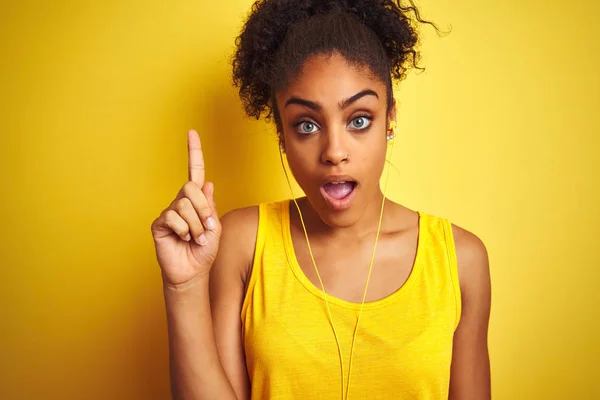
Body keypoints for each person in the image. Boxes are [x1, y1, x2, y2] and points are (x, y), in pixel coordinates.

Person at [150, 0, 492, 399]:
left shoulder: (459, 261)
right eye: (306, 124)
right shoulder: (243, 243)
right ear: (281, 133)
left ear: (391, 118)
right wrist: (185, 286)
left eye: (359, 120)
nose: (333, 151)